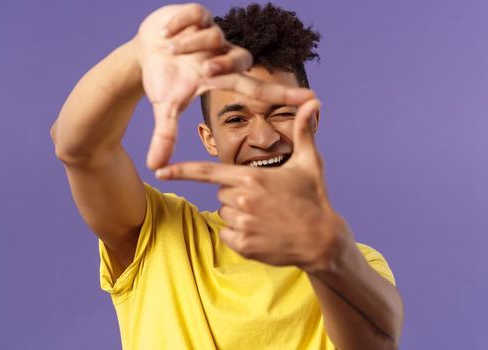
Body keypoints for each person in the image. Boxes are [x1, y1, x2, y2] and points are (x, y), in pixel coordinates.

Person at [50, 3, 404, 349]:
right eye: (236, 120)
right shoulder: (160, 236)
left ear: (311, 121)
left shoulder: (352, 263)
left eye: (282, 114)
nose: (264, 139)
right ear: (208, 138)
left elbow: (377, 340)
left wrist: (328, 255)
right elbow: (78, 149)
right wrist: (138, 55)